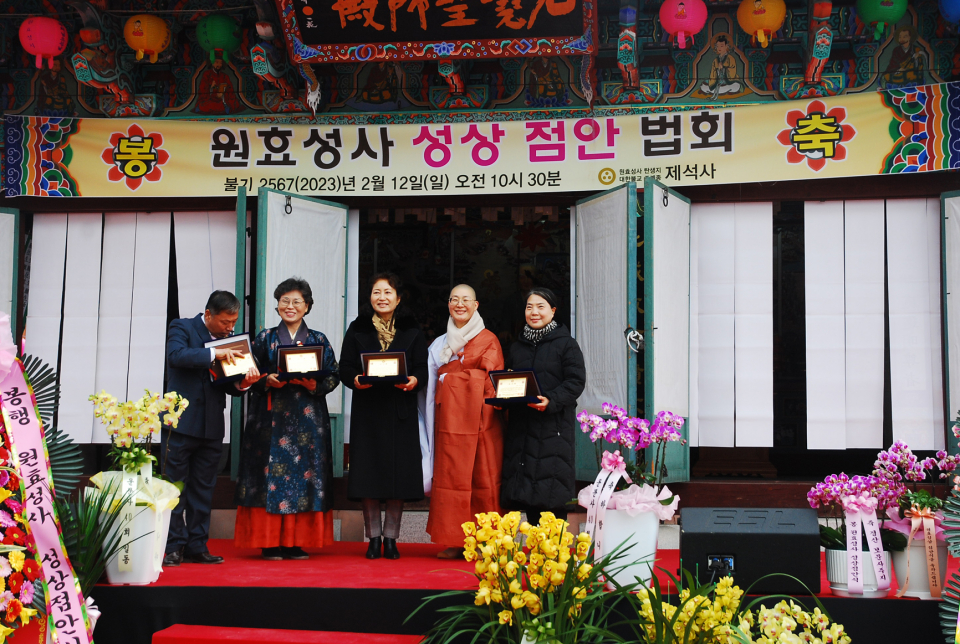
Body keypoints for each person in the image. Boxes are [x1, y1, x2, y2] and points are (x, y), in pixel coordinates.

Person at [234, 278, 340, 560]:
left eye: (296, 302)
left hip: (307, 418)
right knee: (267, 476)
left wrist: (314, 386)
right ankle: (269, 542)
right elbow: (247, 373)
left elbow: (333, 375)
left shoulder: (318, 340)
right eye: (284, 301)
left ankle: (295, 542)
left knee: (304, 476)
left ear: (307, 307)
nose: (290, 307)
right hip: (270, 419)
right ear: (277, 305)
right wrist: (265, 380)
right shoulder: (263, 338)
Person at [162, 291, 261, 566]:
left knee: (203, 490)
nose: (230, 327)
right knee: (174, 489)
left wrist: (244, 383)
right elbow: (177, 356)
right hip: (180, 424)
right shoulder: (182, 327)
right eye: (225, 322)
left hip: (212, 426)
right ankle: (172, 546)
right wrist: (216, 352)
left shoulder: (231, 342)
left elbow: (229, 384)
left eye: (234, 322)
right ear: (208, 315)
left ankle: (197, 545)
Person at [340, 273, 428, 560]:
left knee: (396, 478)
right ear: (370, 298)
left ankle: (391, 538)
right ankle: (373, 538)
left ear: (398, 298)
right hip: (368, 411)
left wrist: (414, 380)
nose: (382, 297)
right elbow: (345, 368)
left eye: (388, 292)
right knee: (369, 476)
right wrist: (355, 379)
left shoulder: (412, 328)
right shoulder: (357, 328)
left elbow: (422, 369)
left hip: (399, 412)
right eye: (377, 292)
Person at [421, 284, 505, 559]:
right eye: (454, 299)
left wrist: (453, 379)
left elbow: (493, 382)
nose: (460, 304)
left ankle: (485, 541)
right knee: (450, 479)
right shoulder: (440, 343)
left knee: (481, 479)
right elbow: (431, 383)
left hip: (480, 424)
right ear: (448, 305)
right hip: (448, 424)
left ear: (476, 304)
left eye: (465, 300)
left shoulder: (488, 339)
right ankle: (455, 539)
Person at [500, 288, 586, 522]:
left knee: (552, 490)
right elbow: (510, 381)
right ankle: (537, 552)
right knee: (528, 490)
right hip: (523, 428)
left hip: (553, 428)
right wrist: (502, 400)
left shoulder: (567, 344)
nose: (534, 312)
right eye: (529, 307)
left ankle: (554, 553)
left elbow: (575, 382)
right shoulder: (518, 347)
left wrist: (551, 400)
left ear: (553, 311)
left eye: (541, 307)